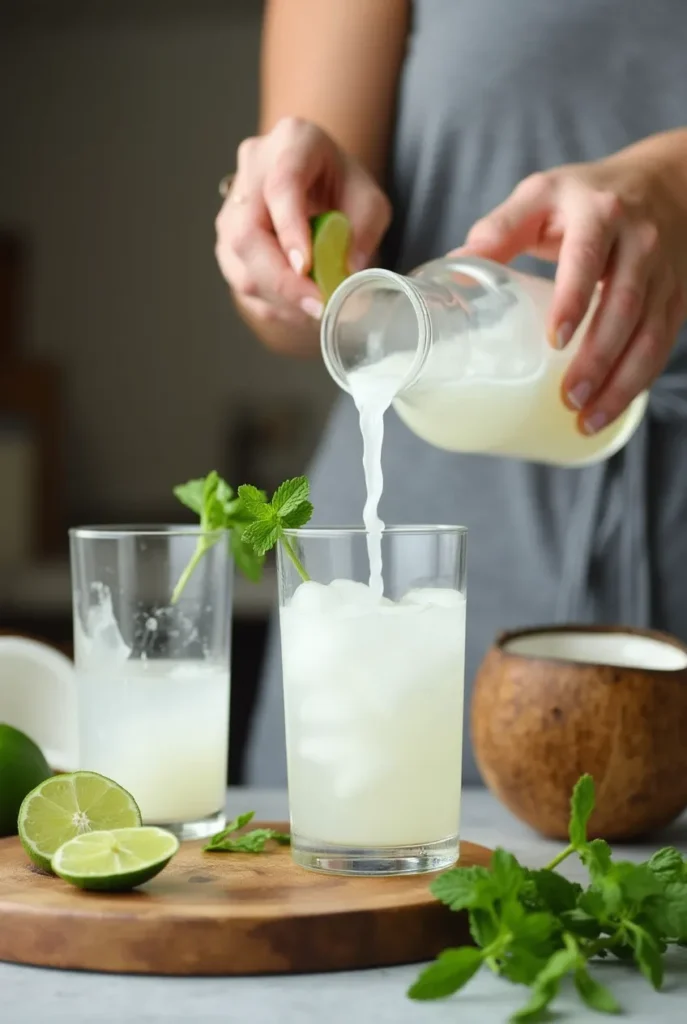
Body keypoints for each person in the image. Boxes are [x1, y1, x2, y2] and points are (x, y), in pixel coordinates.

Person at [215, 0, 687, 786]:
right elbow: (308, 318)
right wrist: (281, 233)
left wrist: (675, 185)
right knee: (359, 880)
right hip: (424, 564)